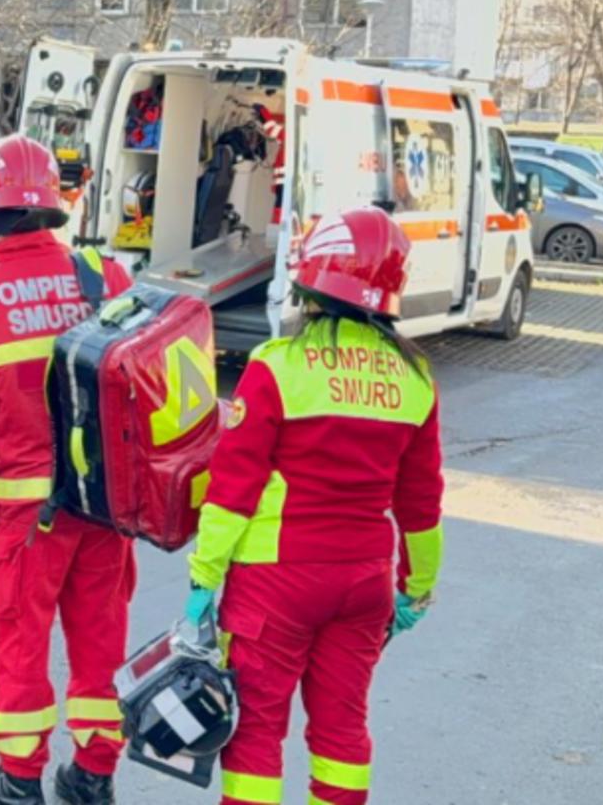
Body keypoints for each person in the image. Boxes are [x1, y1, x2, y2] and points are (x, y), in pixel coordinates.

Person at [185, 206, 444, 805]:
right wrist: (417, 586)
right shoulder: (416, 378)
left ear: (312, 281)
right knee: (342, 730)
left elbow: (234, 486)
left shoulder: (278, 365)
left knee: (255, 733)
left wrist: (205, 576)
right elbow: (422, 500)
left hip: (277, 583)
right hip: (365, 583)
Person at [0, 134, 134, 805]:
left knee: (20, 640)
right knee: (100, 639)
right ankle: (94, 775)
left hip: (29, 514)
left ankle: (18, 783)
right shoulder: (107, 280)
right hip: (107, 507)